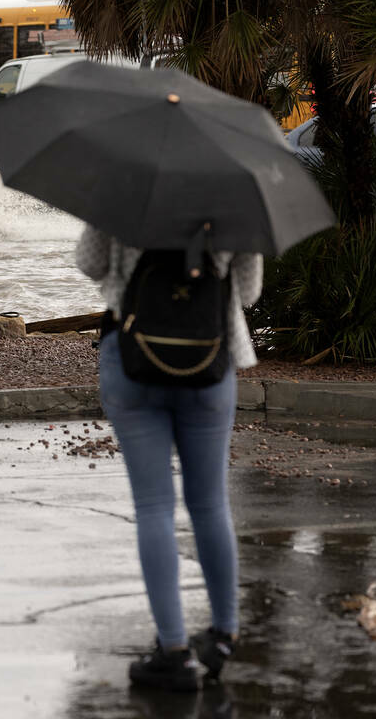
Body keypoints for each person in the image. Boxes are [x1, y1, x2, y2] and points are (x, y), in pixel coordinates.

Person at [75, 226, 263, 691]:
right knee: (210, 502)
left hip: (134, 355)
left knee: (154, 506)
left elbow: (90, 262)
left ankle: (174, 651)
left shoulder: (128, 179)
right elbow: (250, 291)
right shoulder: (233, 190)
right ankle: (222, 635)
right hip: (211, 356)